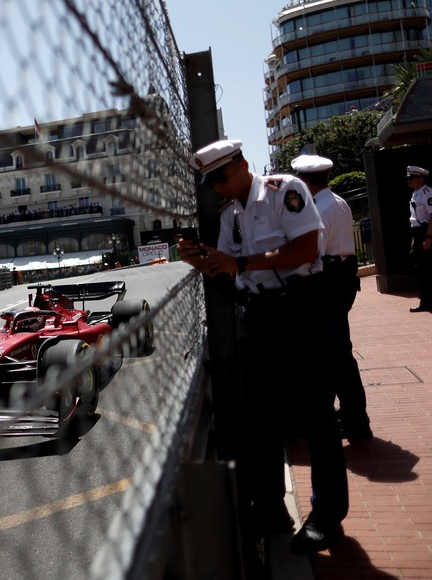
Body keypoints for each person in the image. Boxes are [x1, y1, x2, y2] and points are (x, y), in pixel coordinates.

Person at [178, 139, 348, 554]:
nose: (217, 186)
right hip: (259, 316)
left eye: (221, 176)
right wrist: (207, 261)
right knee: (262, 418)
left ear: (242, 165)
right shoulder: (231, 216)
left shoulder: (283, 190)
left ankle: (328, 517)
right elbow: (232, 274)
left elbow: (307, 248)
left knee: (317, 416)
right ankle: (272, 508)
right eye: (210, 181)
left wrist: (241, 263)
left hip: (301, 310)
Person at [292, 154, 372, 442]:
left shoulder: (317, 210)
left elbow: (310, 255)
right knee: (336, 352)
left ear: (303, 181)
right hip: (341, 279)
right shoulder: (336, 202)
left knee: (335, 356)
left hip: (327, 282)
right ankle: (350, 416)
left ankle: (355, 422)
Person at [406, 166, 432, 313]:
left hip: (428, 232)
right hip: (419, 233)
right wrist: (417, 238)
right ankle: (426, 301)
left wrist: (429, 237)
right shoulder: (416, 194)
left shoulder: (428, 193)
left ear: (421, 178)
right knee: (422, 270)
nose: (409, 180)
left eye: (411, 178)